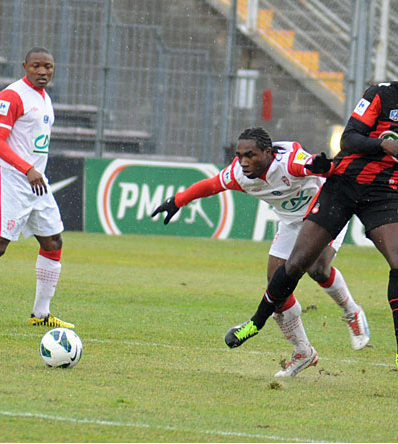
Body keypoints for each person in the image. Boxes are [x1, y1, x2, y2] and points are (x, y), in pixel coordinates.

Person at [223, 51, 398, 373]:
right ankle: (255, 323)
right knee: (298, 263)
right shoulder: (379, 94)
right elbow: (350, 138)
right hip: (342, 185)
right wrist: (381, 144)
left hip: (383, 194)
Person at [151, 127, 369, 377]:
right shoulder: (238, 174)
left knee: (317, 268)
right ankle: (303, 352)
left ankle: (352, 311)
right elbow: (211, 185)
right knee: (276, 287)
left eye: (250, 155)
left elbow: (317, 166)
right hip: (290, 222)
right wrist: (177, 201)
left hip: (326, 212)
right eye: (240, 155)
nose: (243, 162)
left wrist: (322, 167)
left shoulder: (289, 162)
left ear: (268, 153)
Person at [0, 47, 74, 329]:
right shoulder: (12, 95)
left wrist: (34, 172)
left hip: (36, 183)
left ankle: (41, 315)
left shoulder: (45, 100)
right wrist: (27, 169)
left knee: (53, 241)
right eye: (36, 67)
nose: (42, 72)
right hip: (11, 180)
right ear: (25, 66)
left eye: (48, 67)